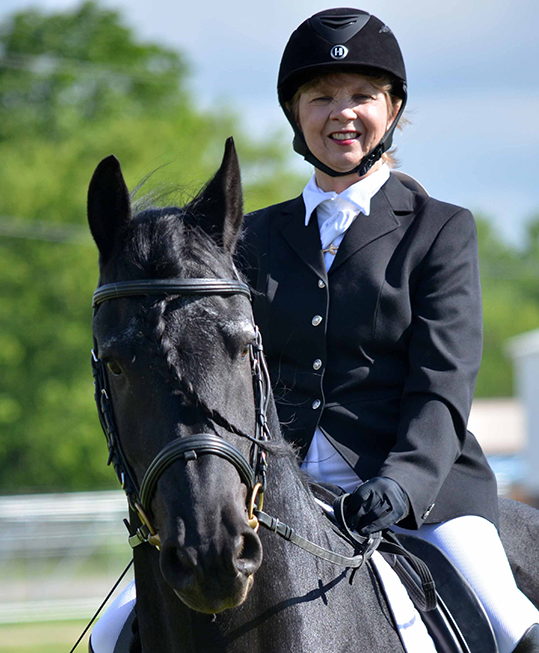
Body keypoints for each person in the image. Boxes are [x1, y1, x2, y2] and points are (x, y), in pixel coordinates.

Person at [239, 8, 539, 653]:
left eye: (362, 96)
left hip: (418, 492)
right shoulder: (253, 236)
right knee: (118, 626)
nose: (341, 113)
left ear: (393, 107)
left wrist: (403, 483)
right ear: (296, 112)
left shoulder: (439, 228)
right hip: (275, 497)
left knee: (513, 626)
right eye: (321, 97)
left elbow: (443, 380)